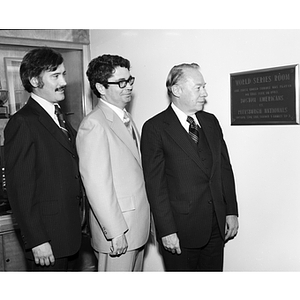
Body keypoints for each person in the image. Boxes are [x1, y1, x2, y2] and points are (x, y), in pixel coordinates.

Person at [141, 63, 239, 271]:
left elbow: (224, 170)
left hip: (215, 227)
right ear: (176, 90)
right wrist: (166, 231)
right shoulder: (155, 128)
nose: (205, 93)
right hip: (180, 231)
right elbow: (155, 185)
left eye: (204, 87)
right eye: (198, 87)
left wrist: (231, 211)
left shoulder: (210, 122)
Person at [4, 47, 82, 271]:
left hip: (71, 236)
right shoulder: (23, 122)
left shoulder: (61, 118)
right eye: (55, 76)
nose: (64, 82)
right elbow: (20, 189)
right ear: (34, 80)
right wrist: (37, 240)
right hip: (47, 241)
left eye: (64, 74)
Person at [76, 54, 150, 272]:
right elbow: (97, 185)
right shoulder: (94, 125)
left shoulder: (124, 118)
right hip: (119, 232)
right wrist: (115, 231)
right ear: (100, 87)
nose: (128, 87)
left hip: (135, 227)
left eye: (130, 80)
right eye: (121, 83)